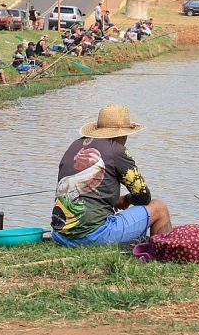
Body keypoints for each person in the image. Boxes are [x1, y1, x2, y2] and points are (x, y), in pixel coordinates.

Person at [51, 104, 172, 247]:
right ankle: (163, 256)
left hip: (60, 235)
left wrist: (115, 199)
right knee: (159, 208)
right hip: (94, 236)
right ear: (122, 134)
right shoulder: (117, 150)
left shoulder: (75, 145)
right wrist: (126, 199)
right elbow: (143, 196)